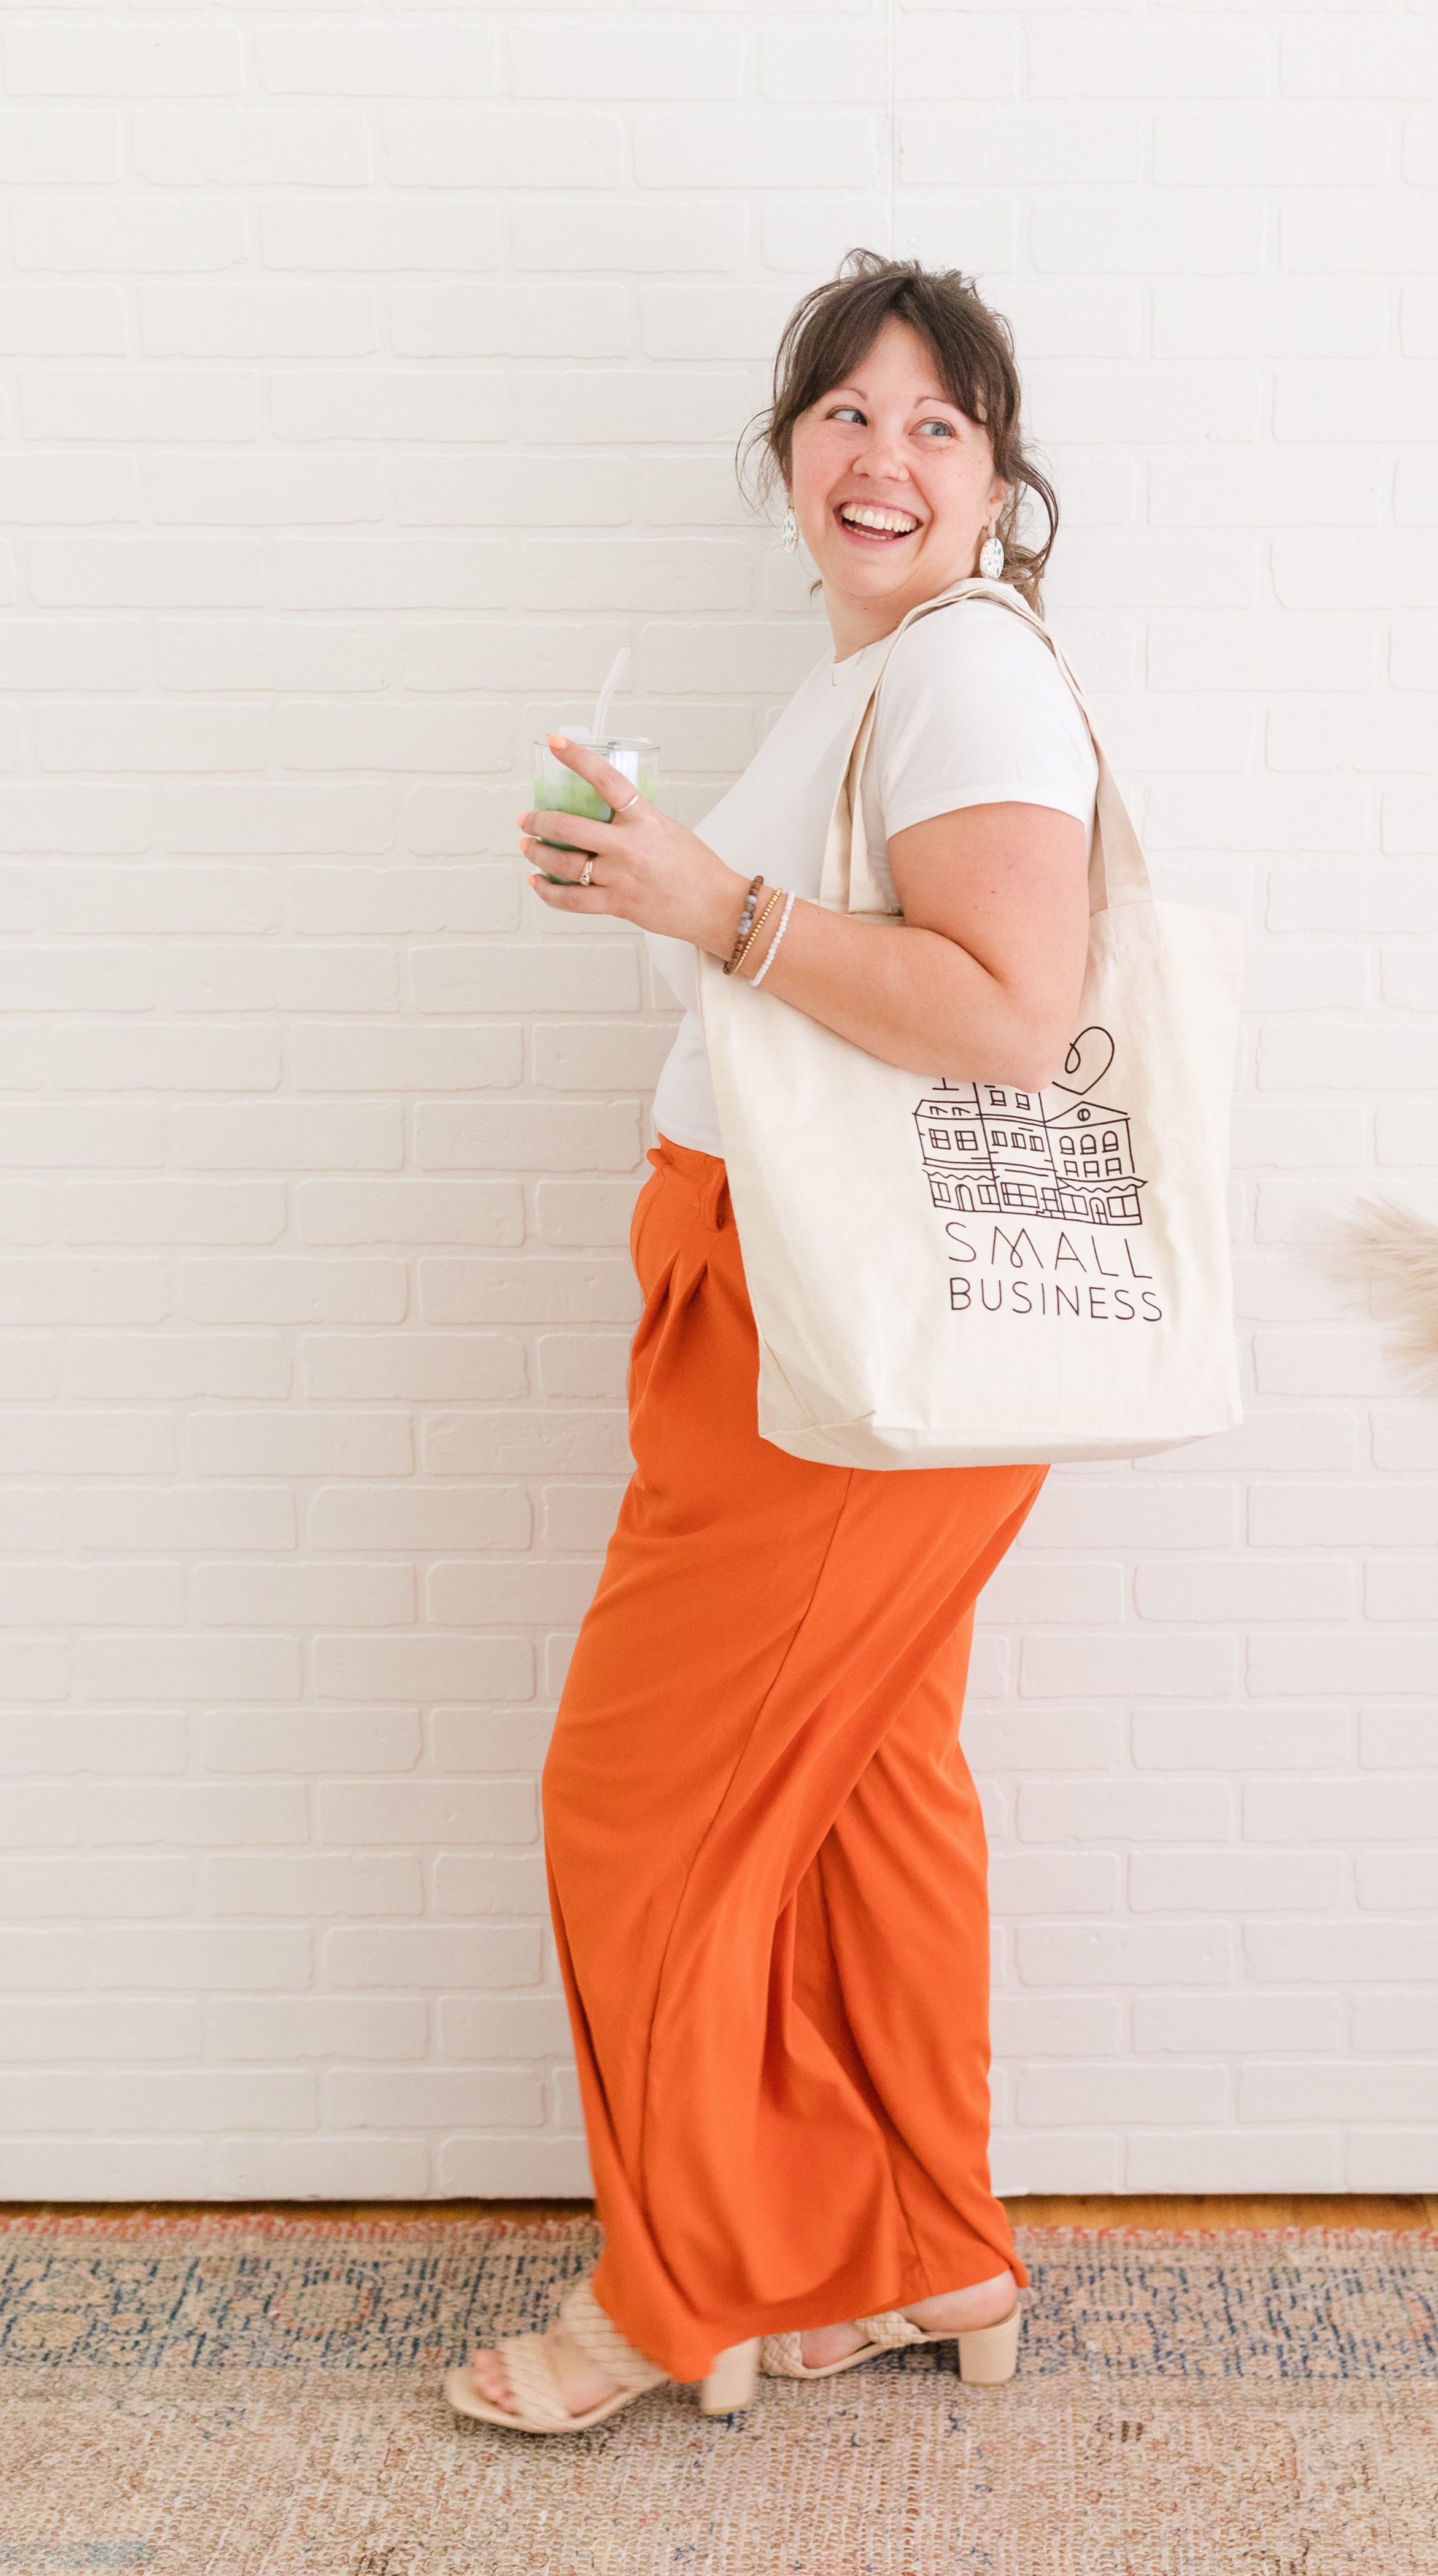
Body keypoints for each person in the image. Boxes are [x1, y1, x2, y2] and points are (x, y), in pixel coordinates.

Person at [445, 253, 1100, 2435]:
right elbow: (812, 976)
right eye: (843, 414)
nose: (881, 456)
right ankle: (936, 2258)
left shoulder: (966, 678)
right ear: (787, 459)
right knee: (867, 1799)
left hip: (826, 1353)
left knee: (633, 1800)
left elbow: (1012, 1017)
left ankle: (675, 2294)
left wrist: (710, 908)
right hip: (791, 1324)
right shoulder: (866, 684)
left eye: (935, 423)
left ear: (1001, 480)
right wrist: (662, 889)